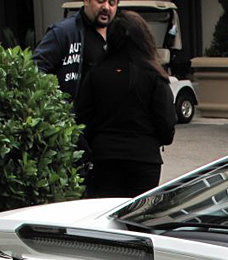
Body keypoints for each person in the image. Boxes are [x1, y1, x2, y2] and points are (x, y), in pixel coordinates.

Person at [75, 11, 175, 198]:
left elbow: (82, 119)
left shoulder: (96, 73)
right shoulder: (154, 75)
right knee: (139, 218)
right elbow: (167, 126)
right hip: (144, 159)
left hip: (105, 157)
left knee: (105, 218)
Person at [33, 0, 118, 101]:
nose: (106, 7)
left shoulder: (121, 35)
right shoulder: (63, 32)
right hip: (74, 114)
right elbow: (35, 70)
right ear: (86, 1)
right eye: (100, 1)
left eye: (112, 2)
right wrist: (58, 104)